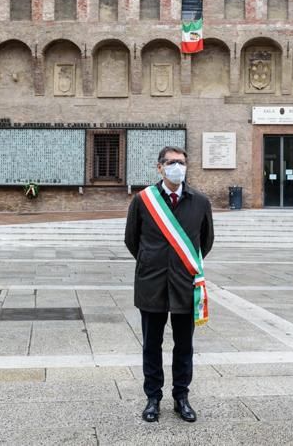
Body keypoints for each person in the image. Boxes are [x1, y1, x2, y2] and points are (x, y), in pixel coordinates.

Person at [124, 145, 214, 423]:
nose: (178, 167)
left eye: (182, 162)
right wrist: (152, 260)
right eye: (172, 162)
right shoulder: (143, 200)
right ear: (160, 167)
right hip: (151, 284)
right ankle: (153, 398)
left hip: (185, 285)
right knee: (152, 344)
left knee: (184, 345)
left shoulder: (200, 201)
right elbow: (132, 240)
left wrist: (182, 264)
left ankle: (181, 397)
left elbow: (206, 241)